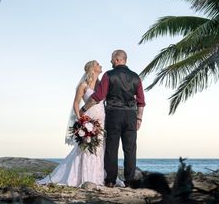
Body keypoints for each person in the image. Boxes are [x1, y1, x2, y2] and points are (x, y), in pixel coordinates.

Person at [81, 49, 145, 187]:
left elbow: (98, 97)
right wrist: (139, 119)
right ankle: (129, 181)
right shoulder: (136, 77)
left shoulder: (109, 75)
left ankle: (110, 180)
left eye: (111, 59)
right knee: (130, 149)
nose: (110, 61)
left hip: (113, 114)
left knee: (111, 148)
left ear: (117, 60)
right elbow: (141, 101)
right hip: (130, 116)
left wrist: (83, 109)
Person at [37, 60, 106, 186]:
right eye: (97, 64)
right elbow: (76, 103)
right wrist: (81, 119)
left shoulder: (102, 85)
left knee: (99, 148)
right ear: (92, 68)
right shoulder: (83, 85)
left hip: (101, 120)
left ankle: (97, 177)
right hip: (88, 119)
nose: (100, 65)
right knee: (85, 148)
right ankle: (83, 176)